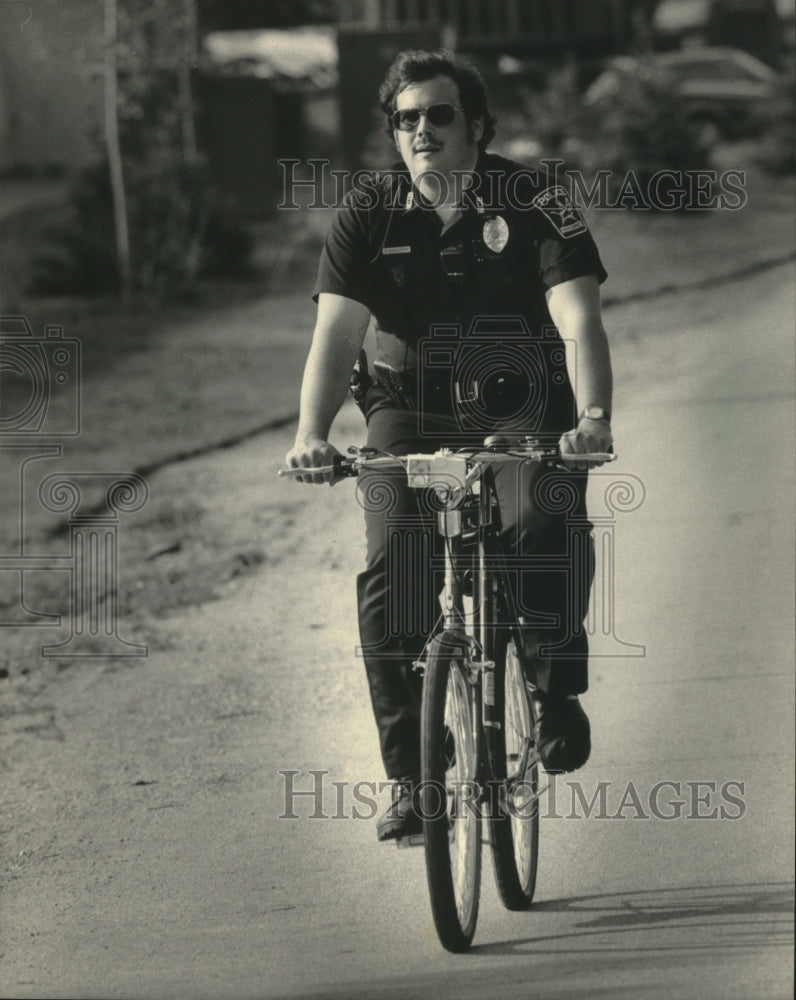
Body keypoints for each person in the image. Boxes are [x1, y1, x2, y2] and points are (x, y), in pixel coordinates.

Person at [286, 49, 614, 842]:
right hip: (409, 405)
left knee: (542, 515)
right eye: (406, 118)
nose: (421, 130)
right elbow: (336, 338)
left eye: (438, 114)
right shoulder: (368, 210)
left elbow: (577, 318)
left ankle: (554, 684)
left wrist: (594, 414)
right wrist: (311, 434)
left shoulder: (533, 195)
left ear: (474, 124)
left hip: (522, 398)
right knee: (393, 560)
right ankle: (411, 779)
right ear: (392, 132)